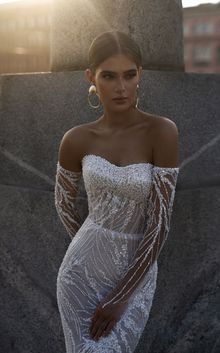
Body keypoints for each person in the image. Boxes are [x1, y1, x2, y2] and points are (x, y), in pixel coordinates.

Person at [54, 30, 179, 353]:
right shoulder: (76, 139)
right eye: (109, 76)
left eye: (129, 75)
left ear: (140, 75)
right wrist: (92, 250)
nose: (121, 87)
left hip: (136, 275)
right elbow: (64, 204)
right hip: (81, 271)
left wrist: (122, 295)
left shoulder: (161, 132)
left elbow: (160, 223)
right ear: (90, 77)